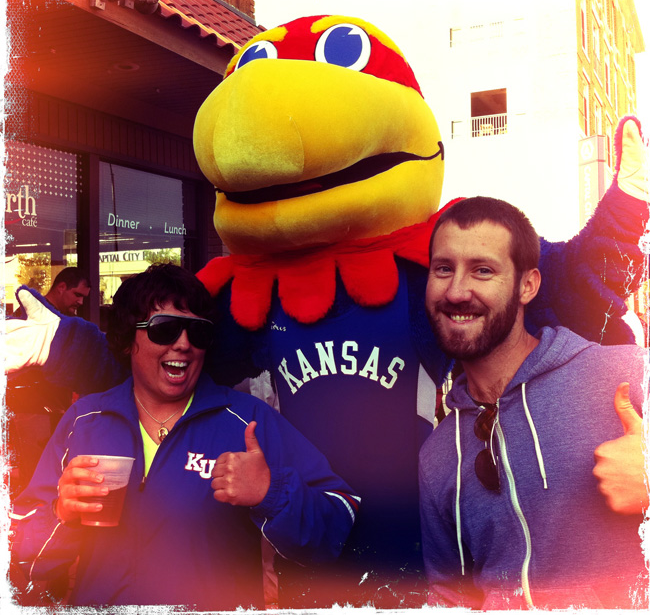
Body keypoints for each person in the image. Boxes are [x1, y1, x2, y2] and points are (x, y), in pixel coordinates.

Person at [10, 263, 360, 610]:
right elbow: (27, 557)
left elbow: (339, 520)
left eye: (199, 333)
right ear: (128, 338)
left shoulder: (246, 421)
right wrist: (61, 513)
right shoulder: (83, 420)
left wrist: (272, 492)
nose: (183, 344)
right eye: (166, 329)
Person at [419, 197, 648, 610]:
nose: (455, 291)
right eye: (443, 269)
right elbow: (450, 598)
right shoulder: (436, 456)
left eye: (482, 270)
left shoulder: (626, 373)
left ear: (528, 285)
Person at [6, 268, 91, 498]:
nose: (80, 302)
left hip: (55, 413)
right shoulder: (28, 316)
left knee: (54, 474)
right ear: (61, 287)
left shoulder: (70, 323)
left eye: (84, 297)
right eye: (77, 294)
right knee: (35, 476)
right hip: (31, 413)